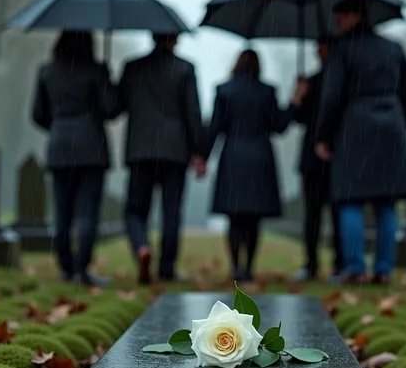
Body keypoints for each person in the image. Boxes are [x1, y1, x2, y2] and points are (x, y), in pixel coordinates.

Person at [315, 0, 406, 284]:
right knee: (386, 202)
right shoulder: (393, 48)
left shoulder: (342, 50)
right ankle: (384, 269)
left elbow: (331, 96)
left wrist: (324, 135)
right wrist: (401, 121)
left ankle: (355, 268)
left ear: (355, 16)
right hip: (391, 126)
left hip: (355, 127)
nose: (337, 21)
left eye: (341, 15)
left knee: (351, 199)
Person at [197, 49, 306, 281]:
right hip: (260, 157)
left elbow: (214, 128)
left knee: (235, 217)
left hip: (234, 157)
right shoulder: (267, 92)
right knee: (254, 218)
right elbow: (279, 125)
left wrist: (202, 157)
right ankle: (249, 267)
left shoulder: (224, 91)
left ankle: (236, 265)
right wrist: (296, 100)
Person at [31, 30, 119, 287]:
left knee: (62, 211)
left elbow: (37, 113)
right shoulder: (96, 70)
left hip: (59, 147)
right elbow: (111, 109)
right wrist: (108, 81)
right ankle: (82, 269)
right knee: (87, 212)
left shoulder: (47, 71)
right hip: (91, 146)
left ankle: (66, 267)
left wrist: (59, 126)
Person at [118, 32, 203, 284]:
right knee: (171, 211)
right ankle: (167, 267)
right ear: (175, 39)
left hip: (140, 149)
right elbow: (193, 113)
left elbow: (115, 105)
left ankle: (142, 246)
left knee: (135, 210)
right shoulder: (185, 69)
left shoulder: (132, 68)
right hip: (174, 151)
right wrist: (199, 151)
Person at [293, 38, 342, 282]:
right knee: (314, 213)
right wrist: (299, 95)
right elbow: (299, 118)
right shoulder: (311, 82)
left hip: (332, 153)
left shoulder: (341, 80)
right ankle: (312, 262)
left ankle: (337, 262)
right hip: (315, 156)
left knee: (333, 212)